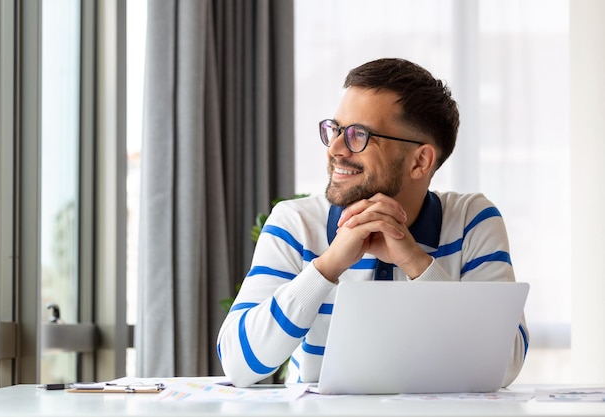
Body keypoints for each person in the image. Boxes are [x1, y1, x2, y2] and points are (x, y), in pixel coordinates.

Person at [217, 57, 529, 388]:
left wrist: (416, 263)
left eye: (358, 135)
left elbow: (504, 365)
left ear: (420, 161)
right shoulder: (295, 224)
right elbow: (239, 365)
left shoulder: (471, 222)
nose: (335, 149)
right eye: (335, 130)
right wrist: (328, 266)